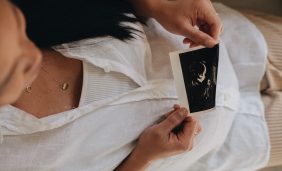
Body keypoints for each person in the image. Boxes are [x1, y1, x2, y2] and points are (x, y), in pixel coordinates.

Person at [0, 0, 225, 170]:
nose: (34, 53)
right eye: (15, 68)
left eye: (18, 25)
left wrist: (158, 4)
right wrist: (143, 157)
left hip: (236, 45)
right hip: (223, 150)